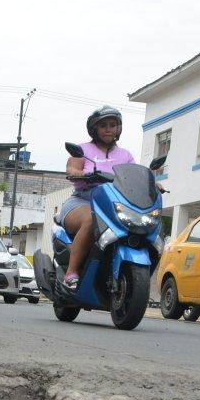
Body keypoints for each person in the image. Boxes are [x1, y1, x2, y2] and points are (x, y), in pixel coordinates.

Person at [55, 105, 136, 295]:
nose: (108, 129)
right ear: (94, 129)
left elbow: (135, 175)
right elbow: (72, 168)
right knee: (93, 220)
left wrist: (152, 184)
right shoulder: (82, 150)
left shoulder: (125, 155)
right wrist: (80, 173)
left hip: (114, 203)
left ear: (119, 128)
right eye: (103, 125)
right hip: (83, 201)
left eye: (113, 125)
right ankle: (71, 273)